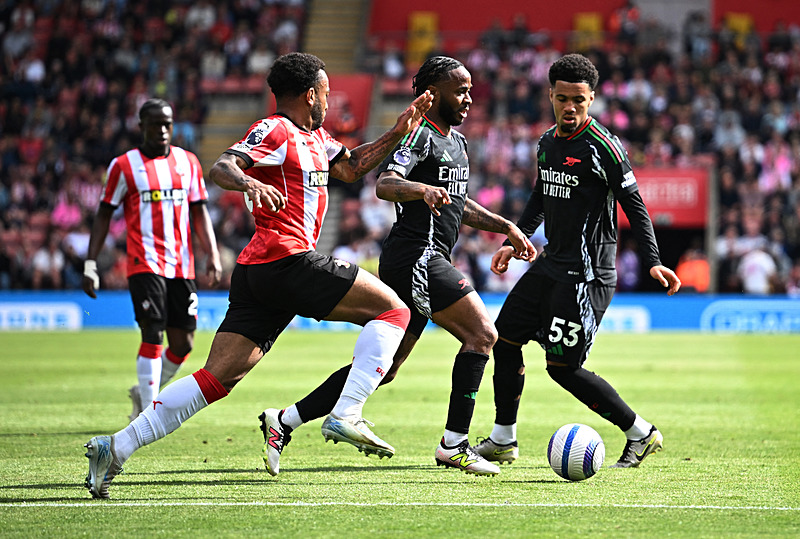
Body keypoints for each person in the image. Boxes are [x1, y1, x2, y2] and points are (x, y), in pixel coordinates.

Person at [83, 52, 432, 499]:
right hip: (284, 259)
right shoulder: (276, 130)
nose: (328, 99)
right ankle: (347, 412)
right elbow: (223, 166)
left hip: (262, 274)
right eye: (325, 91)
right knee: (395, 312)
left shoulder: (316, 138)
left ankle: (114, 448)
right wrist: (248, 182)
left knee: (216, 379)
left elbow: (351, 167)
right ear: (310, 94)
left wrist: (396, 132)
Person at [258, 56, 534, 477]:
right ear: (434, 93)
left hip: (426, 258)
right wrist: (420, 188)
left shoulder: (455, 143)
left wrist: (505, 226)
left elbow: (458, 206)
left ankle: (285, 420)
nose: (468, 98)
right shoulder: (421, 135)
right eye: (460, 90)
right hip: (417, 258)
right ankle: (454, 444)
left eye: (470, 89)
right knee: (483, 335)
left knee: (383, 369)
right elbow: (386, 183)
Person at [474, 54, 681, 470]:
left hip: (587, 275)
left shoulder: (604, 147)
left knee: (562, 368)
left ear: (592, 99)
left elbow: (635, 206)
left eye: (579, 101)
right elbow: (540, 196)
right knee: (505, 336)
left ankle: (640, 432)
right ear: (550, 94)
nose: (570, 108)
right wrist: (514, 239)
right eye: (563, 98)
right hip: (551, 265)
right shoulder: (547, 141)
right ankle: (503, 438)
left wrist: (654, 260)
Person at [82, 98, 223, 423]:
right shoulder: (124, 166)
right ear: (141, 126)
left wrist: (212, 253)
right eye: (155, 124)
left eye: (167, 124)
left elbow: (199, 210)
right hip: (144, 261)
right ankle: (148, 413)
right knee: (152, 332)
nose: (162, 130)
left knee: (183, 342)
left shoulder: (188, 162)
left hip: (181, 264)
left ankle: (144, 390)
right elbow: (104, 214)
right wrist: (91, 264)